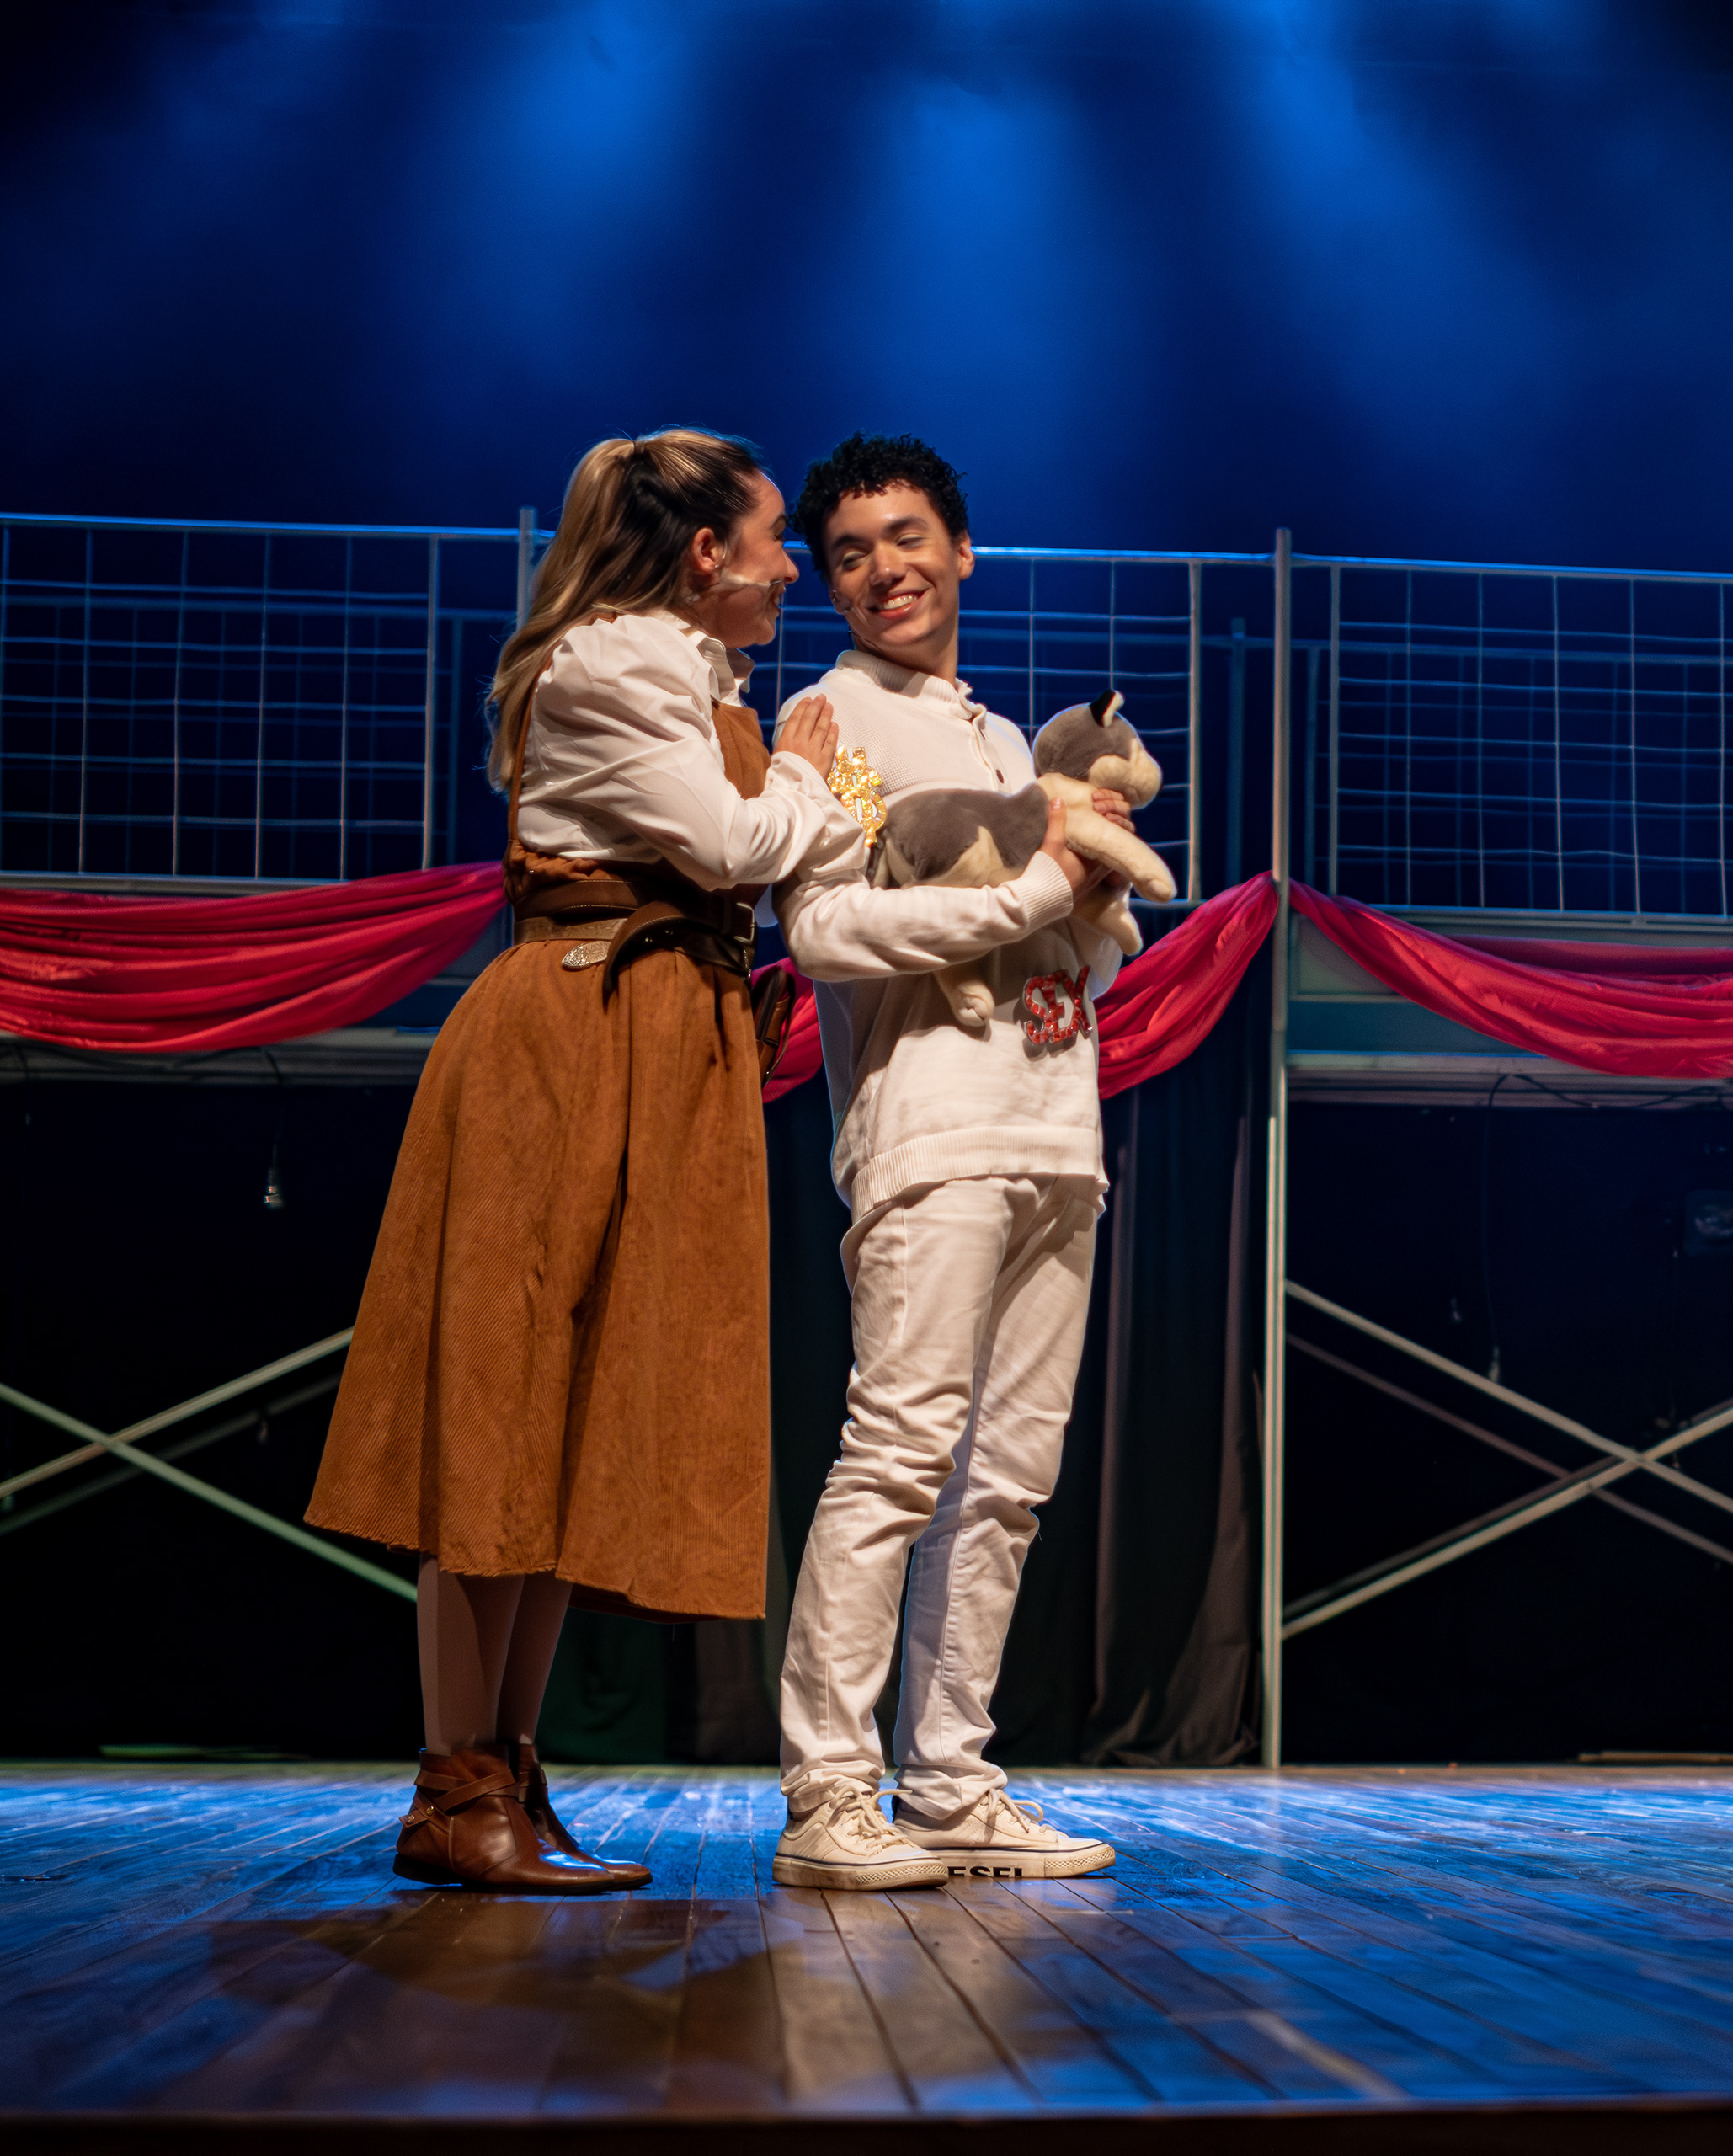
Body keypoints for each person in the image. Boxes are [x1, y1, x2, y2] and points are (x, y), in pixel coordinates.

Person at [308, 428, 859, 1891]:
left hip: (657, 1039)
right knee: (502, 1407)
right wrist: (810, 783)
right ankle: (453, 1786)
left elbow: (755, 862)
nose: (791, 566)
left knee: (574, 1421)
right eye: (771, 538)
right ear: (704, 553)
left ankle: (508, 1766)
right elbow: (735, 844)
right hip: (572, 1036)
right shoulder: (616, 663)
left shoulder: (693, 675)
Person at [763, 432, 1127, 1891]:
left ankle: (951, 1782)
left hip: (1057, 1121)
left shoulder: (1004, 737)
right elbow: (823, 931)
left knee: (1009, 1480)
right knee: (902, 1452)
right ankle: (827, 1791)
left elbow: (1060, 938)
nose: (882, 571)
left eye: (905, 538)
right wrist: (1034, 890)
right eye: (849, 554)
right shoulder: (828, 718)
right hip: (929, 1128)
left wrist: (1082, 908)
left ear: (962, 550)